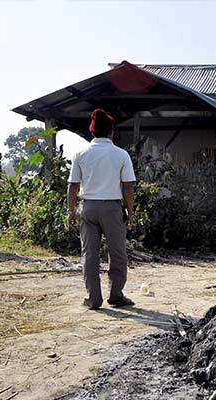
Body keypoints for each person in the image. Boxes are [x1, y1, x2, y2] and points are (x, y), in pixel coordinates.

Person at [67, 109, 136, 310]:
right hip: (113, 208)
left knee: (89, 254)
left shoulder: (80, 155)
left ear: (92, 131)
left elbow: (72, 185)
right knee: (117, 253)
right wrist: (130, 213)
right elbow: (128, 187)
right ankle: (116, 295)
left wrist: (71, 212)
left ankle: (93, 298)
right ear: (111, 131)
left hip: (87, 208)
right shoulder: (121, 154)